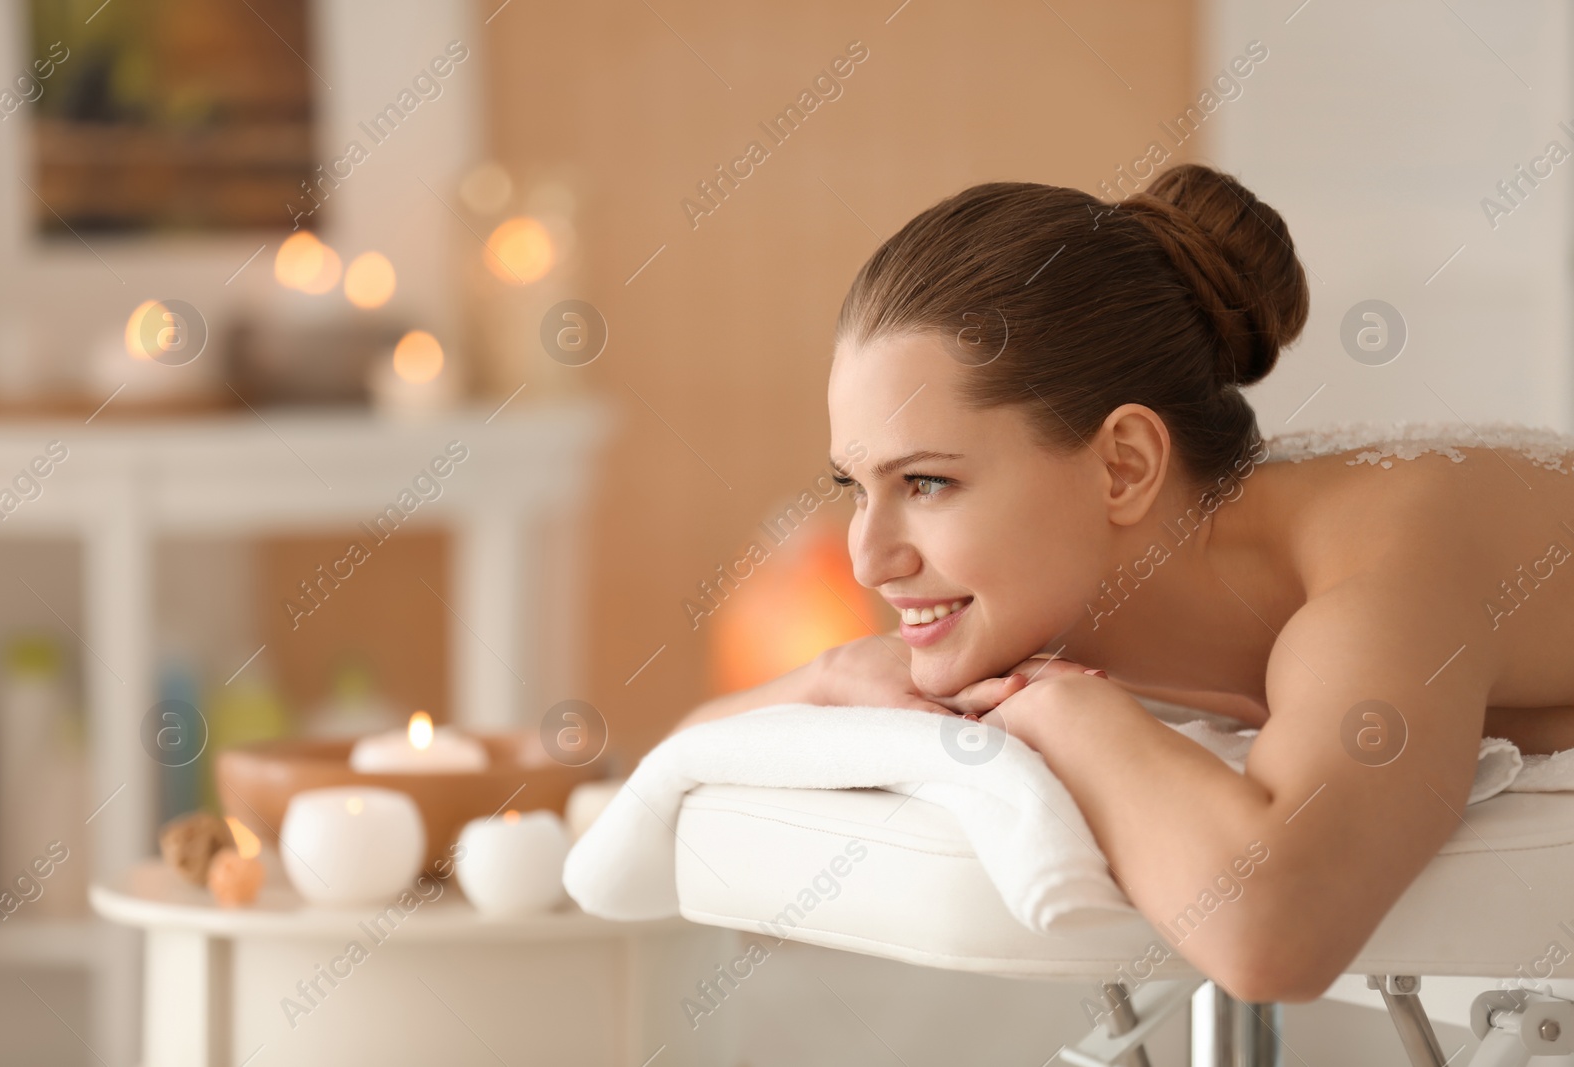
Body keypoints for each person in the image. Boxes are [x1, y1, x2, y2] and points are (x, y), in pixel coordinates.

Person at [672, 163, 1574, 1003]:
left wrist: (1074, 717)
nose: (869, 559)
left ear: (1124, 465)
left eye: (928, 482)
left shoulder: (1379, 567)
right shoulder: (1054, 591)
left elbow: (1274, 934)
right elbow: (687, 754)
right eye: (854, 487)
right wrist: (825, 677)